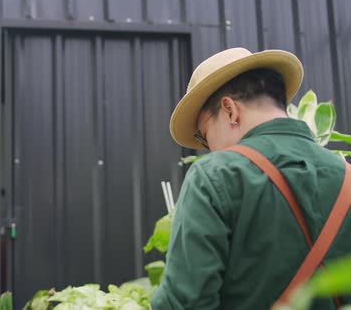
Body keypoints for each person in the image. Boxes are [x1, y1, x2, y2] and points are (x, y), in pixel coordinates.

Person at [150, 47, 351, 309]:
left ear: (230, 110)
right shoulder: (345, 176)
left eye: (203, 135)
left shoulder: (215, 175)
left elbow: (185, 303)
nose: (207, 147)